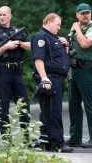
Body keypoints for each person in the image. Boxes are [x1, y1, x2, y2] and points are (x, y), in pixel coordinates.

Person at [0, 5, 30, 140]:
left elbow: (31, 46)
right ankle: (6, 140)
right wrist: (5, 47)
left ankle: (26, 138)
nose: (2, 17)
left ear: (10, 16)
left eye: (4, 14)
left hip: (17, 72)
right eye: (0, 14)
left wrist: (19, 43)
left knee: (23, 104)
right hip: (3, 72)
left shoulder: (18, 31)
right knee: (3, 106)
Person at [31, 13, 73, 152]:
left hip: (57, 79)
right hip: (49, 78)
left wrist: (65, 46)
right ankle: (57, 144)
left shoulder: (54, 38)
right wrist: (44, 78)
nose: (59, 28)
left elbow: (62, 59)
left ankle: (47, 142)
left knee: (50, 112)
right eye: (58, 24)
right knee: (53, 112)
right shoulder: (41, 37)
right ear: (49, 22)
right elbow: (38, 59)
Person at [67, 3, 92, 148]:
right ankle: (75, 138)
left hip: (88, 70)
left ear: (91, 14)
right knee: (73, 105)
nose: (85, 15)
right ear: (77, 15)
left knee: (90, 104)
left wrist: (76, 29)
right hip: (74, 69)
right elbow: (70, 45)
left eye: (87, 13)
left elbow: (85, 44)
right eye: (82, 13)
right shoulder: (74, 27)